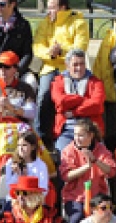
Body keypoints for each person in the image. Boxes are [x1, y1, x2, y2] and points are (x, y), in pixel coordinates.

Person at [32, 0, 88, 138]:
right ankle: (41, 136)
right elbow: (37, 46)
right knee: (43, 95)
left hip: (70, 68)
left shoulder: (78, 22)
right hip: (49, 66)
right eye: (48, 7)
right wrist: (50, 53)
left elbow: (80, 47)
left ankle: (69, 133)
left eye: (52, 7)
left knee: (71, 97)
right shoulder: (45, 23)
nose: (48, 10)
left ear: (62, 7)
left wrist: (61, 51)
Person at [60, 118, 116, 223]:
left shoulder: (101, 149)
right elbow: (66, 175)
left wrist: (95, 161)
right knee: (76, 218)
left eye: (81, 135)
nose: (77, 138)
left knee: (102, 218)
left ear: (91, 135)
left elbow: (111, 171)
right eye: (75, 135)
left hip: (97, 196)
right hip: (75, 196)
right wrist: (87, 167)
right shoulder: (69, 150)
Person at [50, 49, 105, 152]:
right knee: (62, 156)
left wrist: (74, 112)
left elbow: (96, 105)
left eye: (82, 64)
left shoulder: (96, 82)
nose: (79, 68)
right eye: (75, 64)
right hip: (67, 131)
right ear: (67, 66)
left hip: (90, 130)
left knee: (101, 158)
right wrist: (83, 99)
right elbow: (61, 102)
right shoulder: (58, 81)